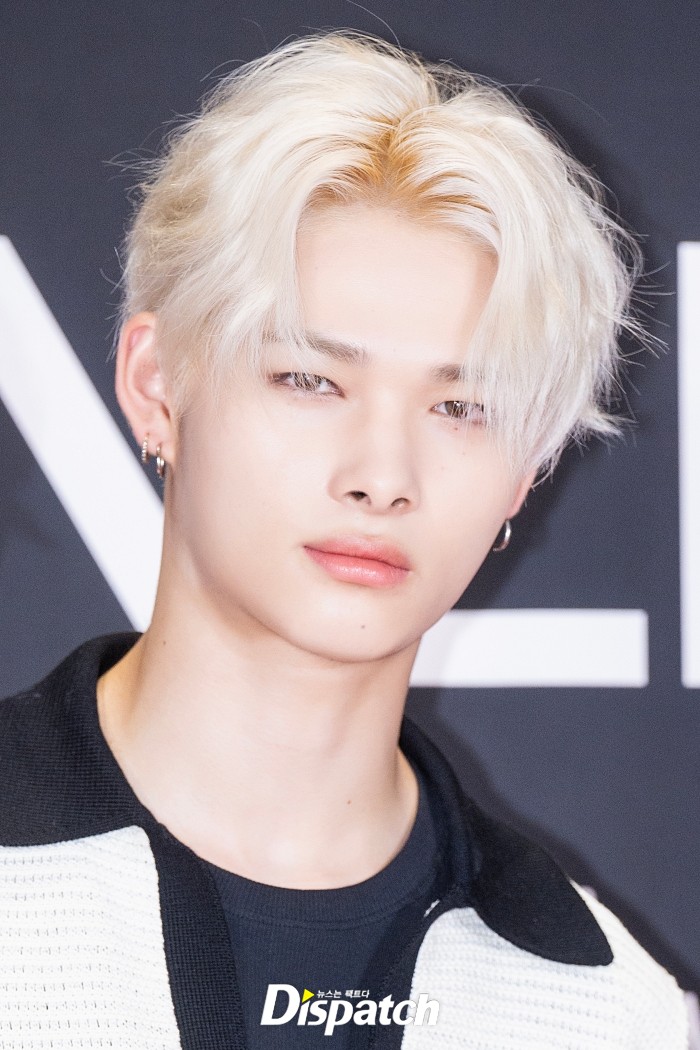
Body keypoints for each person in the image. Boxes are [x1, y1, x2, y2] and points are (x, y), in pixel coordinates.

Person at [0, 29, 690, 1049]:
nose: (381, 475)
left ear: (526, 469)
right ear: (156, 386)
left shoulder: (600, 1011)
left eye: (460, 407)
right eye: (310, 380)